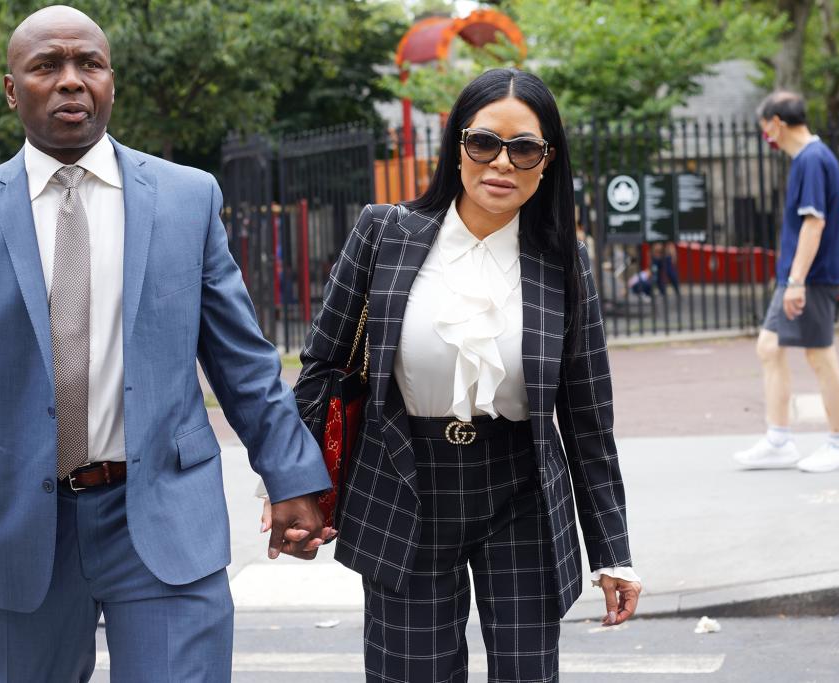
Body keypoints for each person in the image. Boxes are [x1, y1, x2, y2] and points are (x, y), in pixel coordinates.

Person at [0, 7, 331, 681]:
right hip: (19, 524)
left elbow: (242, 359)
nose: (72, 82)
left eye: (88, 65)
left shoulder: (185, 199)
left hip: (162, 512)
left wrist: (293, 474)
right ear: (12, 89)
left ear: (110, 82)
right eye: (47, 66)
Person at [265, 68, 641, 682]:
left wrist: (614, 553)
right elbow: (323, 368)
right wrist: (294, 484)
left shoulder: (562, 265)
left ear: (547, 162)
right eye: (484, 143)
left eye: (524, 149)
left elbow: (587, 419)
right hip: (403, 482)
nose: (501, 164)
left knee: (526, 673)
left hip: (520, 491)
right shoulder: (384, 233)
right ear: (457, 146)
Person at [734, 91, 839, 473]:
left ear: (776, 122)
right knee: (770, 347)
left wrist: (796, 281)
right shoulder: (813, 157)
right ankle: (779, 439)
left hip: (810, 276)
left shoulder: (810, 159)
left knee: (819, 355)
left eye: (764, 127)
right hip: (804, 275)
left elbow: (814, 221)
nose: (765, 134)